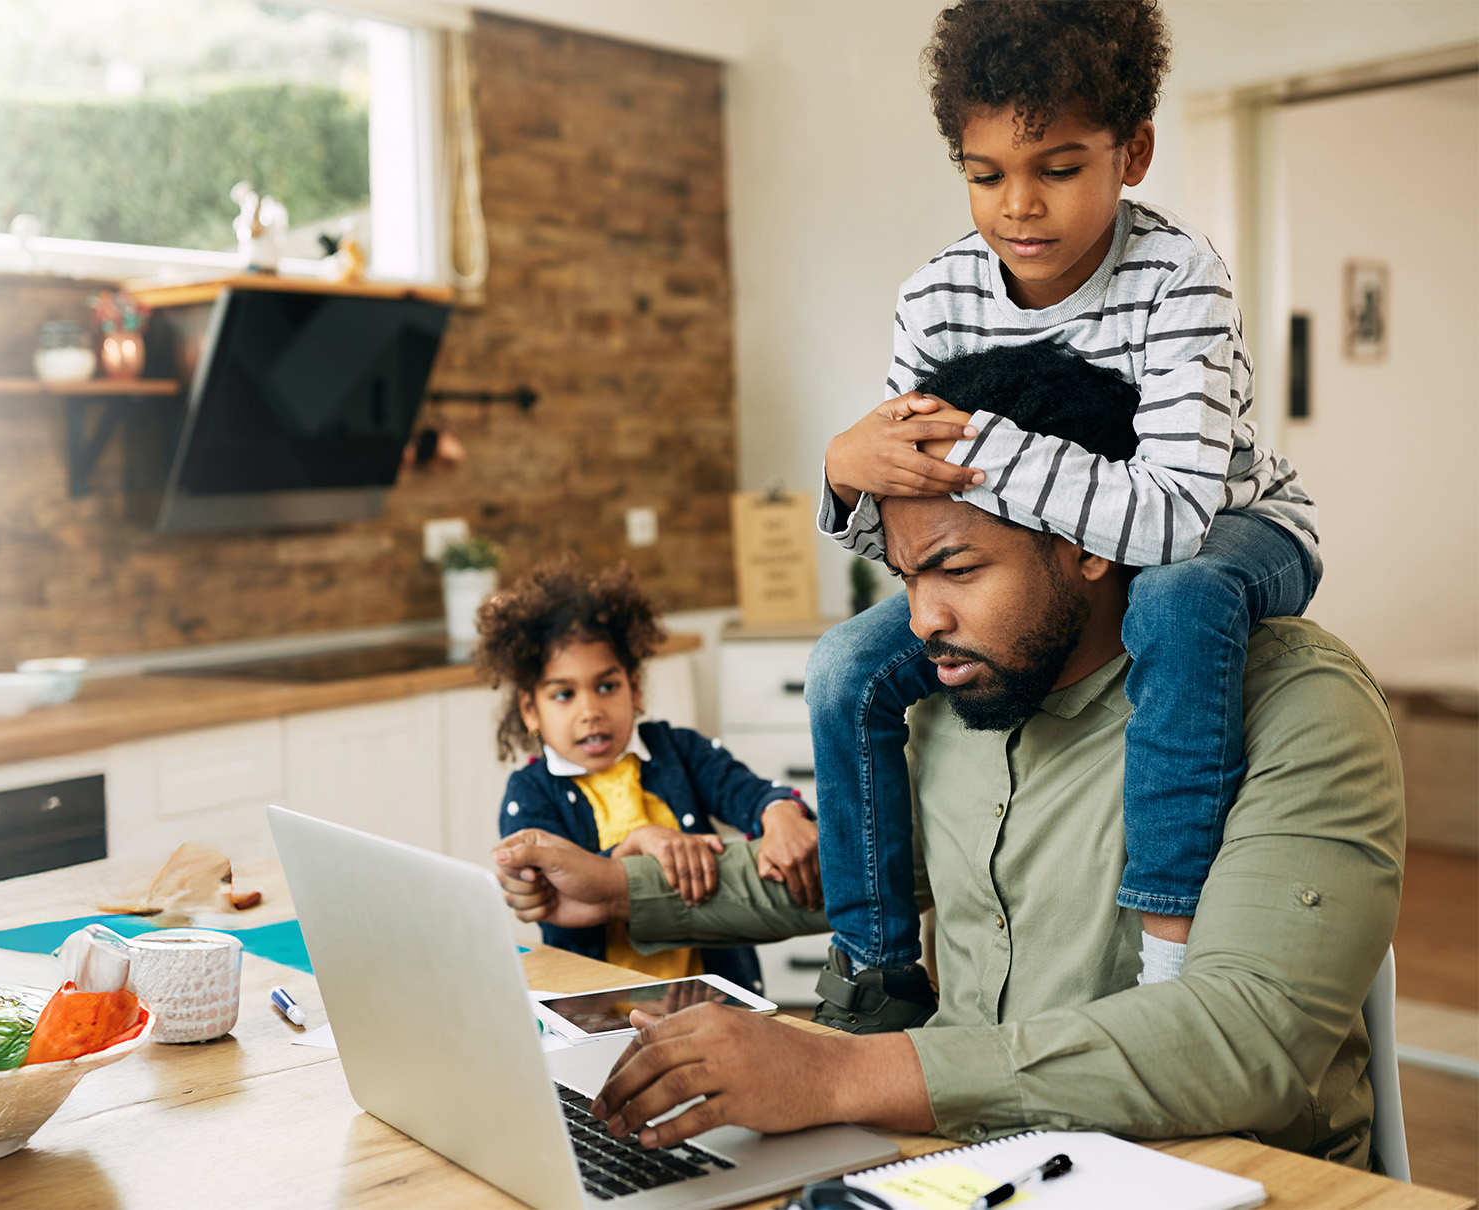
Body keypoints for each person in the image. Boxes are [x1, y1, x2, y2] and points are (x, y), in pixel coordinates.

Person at [493, 341, 1399, 1165]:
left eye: (959, 571)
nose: (923, 619)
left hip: (1212, 1174)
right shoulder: (955, 687)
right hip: (960, 1163)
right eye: (907, 577)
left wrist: (836, 1075)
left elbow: (1248, 1042)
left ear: (1090, 539)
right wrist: (619, 892)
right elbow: (862, 869)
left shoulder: (1296, 705)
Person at [806, 0, 1321, 1033]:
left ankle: (1168, 955)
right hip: (1074, 550)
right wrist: (850, 473)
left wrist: (978, 443)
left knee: (1176, 602)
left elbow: (1172, 516)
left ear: (1133, 153)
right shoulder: (937, 295)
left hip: (1234, 520)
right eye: (986, 172)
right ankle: (873, 963)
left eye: (1059, 167)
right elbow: (924, 526)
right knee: (843, 668)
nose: (1018, 207)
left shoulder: (1181, 278)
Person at [475, 562, 820, 994]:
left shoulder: (680, 751)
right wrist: (637, 844)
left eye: (607, 686)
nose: (590, 711)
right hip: (600, 1015)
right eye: (564, 694)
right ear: (530, 710)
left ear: (635, 689)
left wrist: (781, 812)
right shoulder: (529, 793)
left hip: (709, 999)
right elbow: (557, 886)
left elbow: (750, 793)